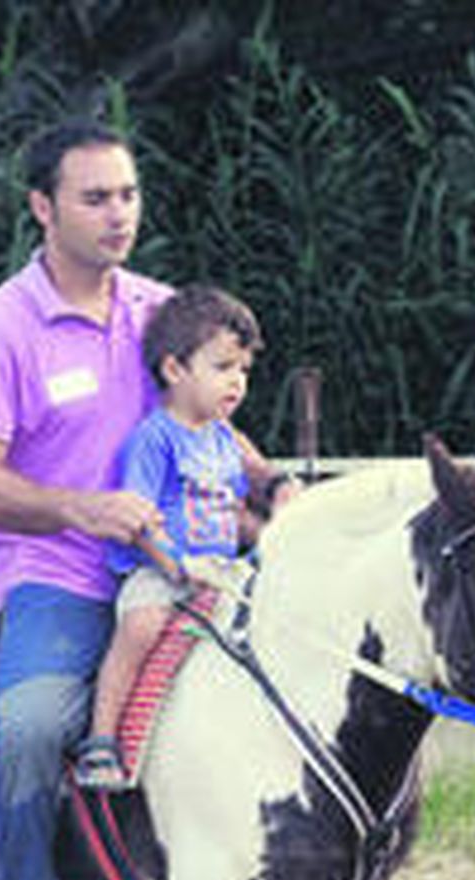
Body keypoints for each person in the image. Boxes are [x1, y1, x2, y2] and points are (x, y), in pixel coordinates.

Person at [0, 120, 281, 880]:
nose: (118, 213)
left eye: (127, 194)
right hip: (59, 581)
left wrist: (273, 487)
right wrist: (81, 510)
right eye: (94, 197)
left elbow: (212, 416)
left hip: (187, 566)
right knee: (34, 728)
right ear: (42, 208)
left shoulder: (161, 312)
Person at [73, 284, 275, 790]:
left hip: (220, 570)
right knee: (140, 625)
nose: (237, 383)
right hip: (162, 569)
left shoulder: (224, 440)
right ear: (174, 370)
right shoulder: (154, 438)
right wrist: (174, 564)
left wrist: (271, 537)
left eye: (244, 371)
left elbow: (230, 510)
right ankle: (101, 739)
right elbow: (138, 517)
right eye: (223, 367)